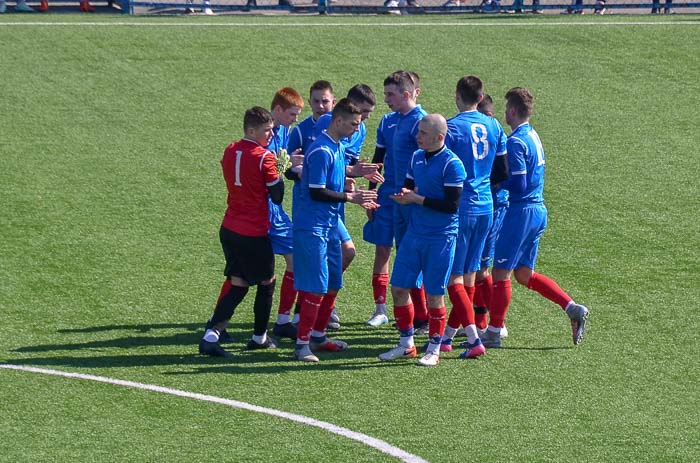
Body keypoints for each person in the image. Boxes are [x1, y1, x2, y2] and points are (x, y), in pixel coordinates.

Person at [483, 87, 589, 348]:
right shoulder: (533, 135)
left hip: (521, 212)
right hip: (538, 210)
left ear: (511, 110)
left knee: (500, 272)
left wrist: (496, 183)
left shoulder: (516, 141)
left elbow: (518, 185)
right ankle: (571, 307)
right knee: (524, 274)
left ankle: (494, 331)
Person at [292, 99, 378, 362]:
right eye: (354, 124)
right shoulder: (321, 150)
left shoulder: (337, 147)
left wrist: (353, 178)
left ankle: (318, 336)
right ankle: (302, 344)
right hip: (313, 227)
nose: (356, 129)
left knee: (332, 283)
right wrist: (350, 198)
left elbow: (334, 180)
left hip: (329, 225)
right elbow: (317, 191)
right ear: (338, 120)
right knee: (317, 287)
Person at [378, 114, 466, 367]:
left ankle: (435, 348)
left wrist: (417, 199)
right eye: (418, 132)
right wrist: (401, 196)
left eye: (424, 133)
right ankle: (406, 345)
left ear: (440, 137)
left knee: (435, 295)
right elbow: (409, 187)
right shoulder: (416, 157)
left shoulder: (453, 164)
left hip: (440, 237)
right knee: (399, 288)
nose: (418, 137)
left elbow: (451, 205)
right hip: (415, 234)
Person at [199, 107, 285, 358]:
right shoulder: (264, 157)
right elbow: (277, 197)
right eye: (267, 130)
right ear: (251, 130)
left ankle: (211, 335)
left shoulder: (230, 149)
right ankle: (259, 338)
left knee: (238, 283)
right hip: (253, 231)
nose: (271, 134)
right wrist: (279, 172)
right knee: (267, 282)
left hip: (229, 228)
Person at [438, 76, 508, 360]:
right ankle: (448, 337)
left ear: (457, 95)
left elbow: (447, 171)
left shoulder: (452, 129)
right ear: (480, 98)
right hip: (486, 208)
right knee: (470, 276)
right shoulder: (494, 125)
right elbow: (502, 172)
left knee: (454, 278)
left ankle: (473, 338)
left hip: (462, 209)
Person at [311, 84, 379, 330]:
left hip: (336, 202)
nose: (363, 120)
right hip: (320, 207)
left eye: (367, 114)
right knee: (344, 253)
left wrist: (355, 172)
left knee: (336, 257)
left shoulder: (357, 130)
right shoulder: (327, 128)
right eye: (361, 112)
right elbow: (315, 174)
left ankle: (318, 311)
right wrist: (349, 192)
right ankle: (313, 312)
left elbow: (343, 163)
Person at [367, 71, 430, 330]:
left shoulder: (422, 122)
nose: (386, 100)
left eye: (390, 95)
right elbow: (378, 157)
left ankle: (421, 315)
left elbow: (426, 163)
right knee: (382, 248)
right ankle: (380, 309)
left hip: (408, 200)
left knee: (409, 254)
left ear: (407, 94)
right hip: (386, 195)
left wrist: (412, 195)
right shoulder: (387, 121)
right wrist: (372, 191)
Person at [469, 94, 510, 340]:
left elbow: (503, 174)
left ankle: (492, 322)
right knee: (475, 267)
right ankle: (479, 321)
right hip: (484, 204)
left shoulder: (495, 133)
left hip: (494, 205)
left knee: (483, 268)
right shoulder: (492, 131)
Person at [265, 87, 304, 341]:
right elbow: (268, 172)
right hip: (265, 210)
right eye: (292, 113)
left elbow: (281, 170)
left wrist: (291, 163)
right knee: (249, 276)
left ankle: (282, 320)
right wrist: (288, 162)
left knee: (294, 262)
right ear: (278, 110)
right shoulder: (265, 135)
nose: (295, 119)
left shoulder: (285, 131)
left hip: (275, 210)